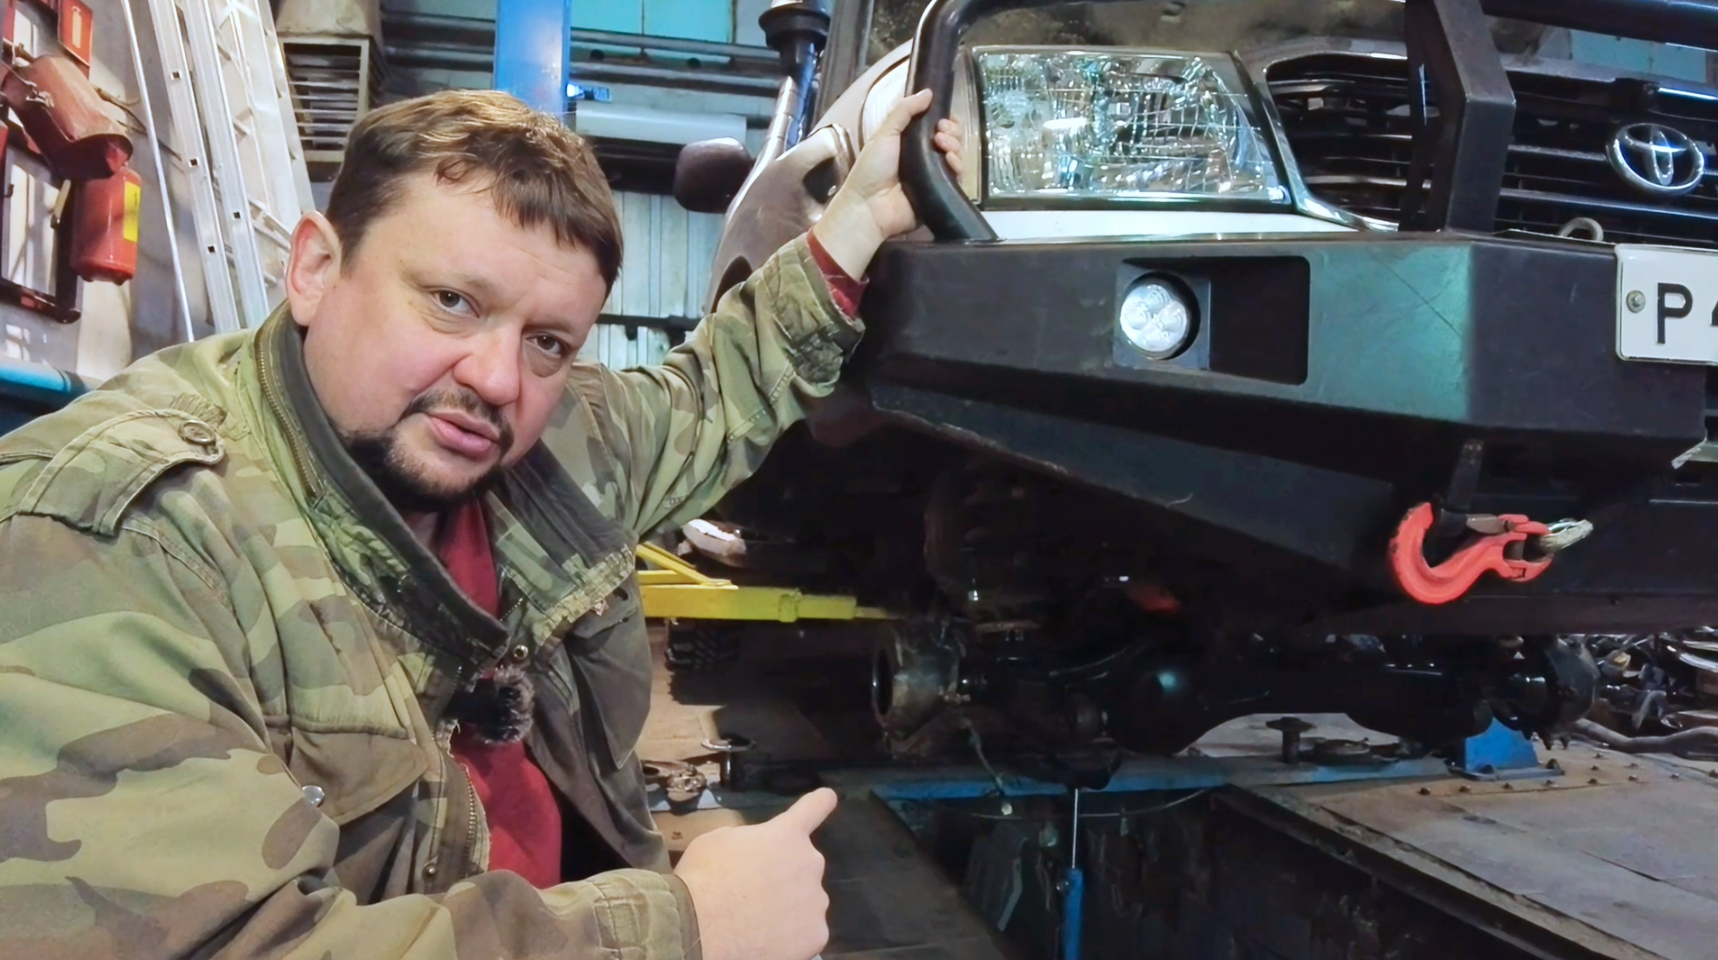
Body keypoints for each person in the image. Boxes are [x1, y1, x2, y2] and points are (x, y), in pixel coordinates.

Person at [0, 86, 964, 960]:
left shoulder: (544, 447)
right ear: (315, 269)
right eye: (453, 303)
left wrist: (860, 221)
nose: (498, 381)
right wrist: (682, 929)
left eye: (547, 342)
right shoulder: (110, 544)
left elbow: (716, 391)